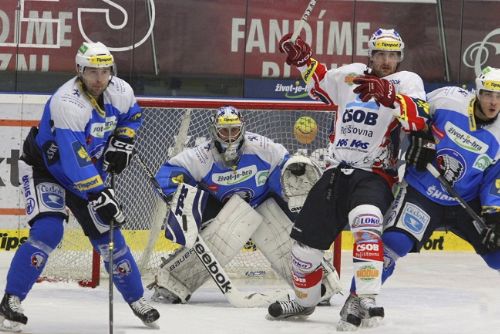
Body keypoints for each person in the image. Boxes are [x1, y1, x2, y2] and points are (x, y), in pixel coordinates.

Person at [267, 28, 430, 329]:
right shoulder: (351, 75)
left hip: (374, 174)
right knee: (304, 249)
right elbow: (320, 83)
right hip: (335, 170)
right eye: (381, 53)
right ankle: (304, 303)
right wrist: (303, 59)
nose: (387, 60)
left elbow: (420, 116)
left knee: (366, 222)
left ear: (400, 57)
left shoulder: (406, 82)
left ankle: (365, 298)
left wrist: (390, 96)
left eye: (393, 55)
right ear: (371, 54)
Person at [0, 42, 160, 332]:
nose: (99, 78)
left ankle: (137, 299)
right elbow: (74, 160)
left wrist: (123, 141)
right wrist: (99, 194)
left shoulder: (121, 91)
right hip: (47, 170)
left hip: (88, 172)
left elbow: (132, 117)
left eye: (105, 71)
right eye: (91, 71)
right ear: (79, 70)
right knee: (49, 230)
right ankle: (11, 300)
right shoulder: (67, 102)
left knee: (107, 235)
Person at [146, 105, 341, 305]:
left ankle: (320, 284)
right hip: (225, 211)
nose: (230, 137)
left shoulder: (263, 148)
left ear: (243, 129)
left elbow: (285, 171)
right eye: (224, 131)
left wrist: (294, 173)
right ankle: (173, 283)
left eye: (234, 130)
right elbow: (167, 174)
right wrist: (175, 193)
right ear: (214, 131)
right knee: (222, 236)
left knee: (284, 240)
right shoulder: (201, 156)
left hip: (265, 204)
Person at [378, 66, 500, 324]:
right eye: (488, 94)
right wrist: (422, 138)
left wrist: (495, 218)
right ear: (477, 92)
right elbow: (415, 111)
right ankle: (360, 298)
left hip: (466, 200)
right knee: (394, 243)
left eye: (499, 96)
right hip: (423, 191)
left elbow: (494, 180)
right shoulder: (448, 99)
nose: (493, 102)